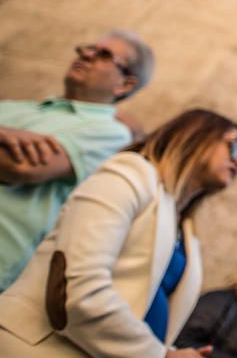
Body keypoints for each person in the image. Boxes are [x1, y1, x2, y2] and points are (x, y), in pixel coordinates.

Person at [0, 108, 237, 358]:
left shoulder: (188, 234)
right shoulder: (130, 174)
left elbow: (141, 309)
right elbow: (74, 287)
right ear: (195, 135)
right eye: (232, 145)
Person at [0, 30, 154, 290]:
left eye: (103, 55)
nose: (86, 54)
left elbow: (22, 166)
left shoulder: (109, 132)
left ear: (125, 85)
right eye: (86, 49)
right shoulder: (13, 108)